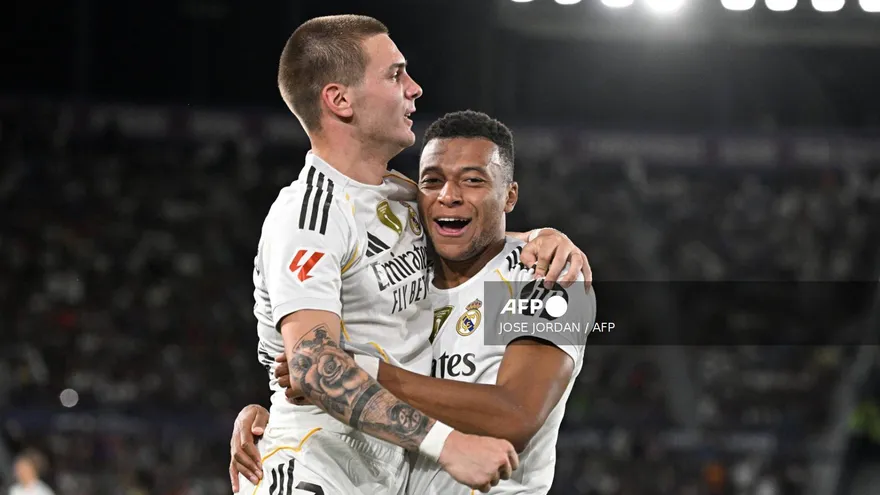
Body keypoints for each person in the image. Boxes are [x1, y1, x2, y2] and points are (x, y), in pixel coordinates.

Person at [236, 14, 592, 495]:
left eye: (473, 181)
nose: (415, 88)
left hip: (383, 474)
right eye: (395, 74)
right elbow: (311, 366)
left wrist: (548, 235)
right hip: (317, 471)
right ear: (339, 100)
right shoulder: (309, 215)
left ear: (509, 195)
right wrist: (284, 406)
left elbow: (517, 414)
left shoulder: (402, 202)